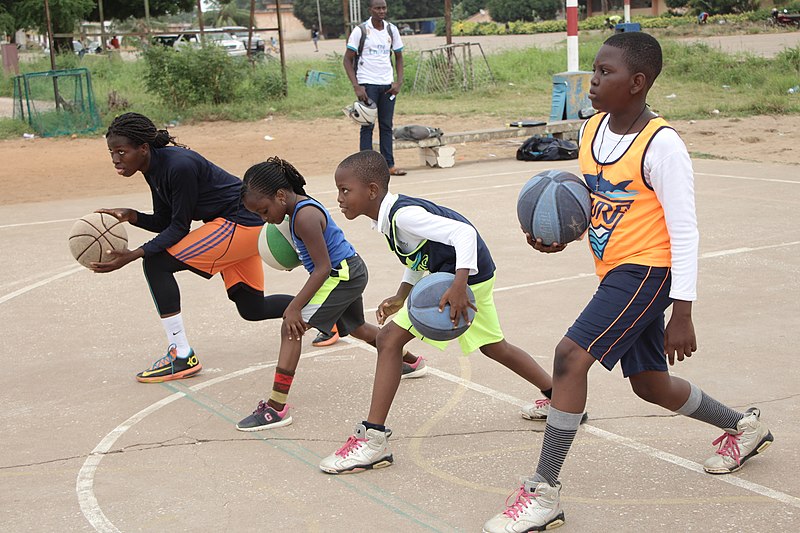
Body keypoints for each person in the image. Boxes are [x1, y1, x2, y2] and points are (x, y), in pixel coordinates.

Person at [483, 32, 773, 532]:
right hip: (616, 268)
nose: (593, 81)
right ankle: (743, 426)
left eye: (605, 73)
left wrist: (682, 311)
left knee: (570, 358)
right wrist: (560, 238)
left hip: (649, 269)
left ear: (637, 83)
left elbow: (685, 230)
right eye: (593, 71)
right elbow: (599, 208)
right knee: (649, 385)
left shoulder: (662, 145)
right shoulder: (590, 130)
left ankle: (543, 491)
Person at [319, 150, 560, 474]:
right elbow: (419, 257)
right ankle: (558, 399)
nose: (339, 199)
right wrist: (402, 294)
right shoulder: (389, 218)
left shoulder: (404, 216)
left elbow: (464, 234)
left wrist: (459, 286)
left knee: (389, 340)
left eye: (345, 191)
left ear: (372, 191)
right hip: (470, 276)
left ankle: (373, 439)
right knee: (493, 346)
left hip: (463, 279)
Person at [91, 113, 296, 383]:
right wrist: (133, 216)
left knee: (155, 263)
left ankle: (181, 355)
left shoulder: (178, 166)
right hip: (237, 227)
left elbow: (178, 229)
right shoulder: (153, 168)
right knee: (252, 308)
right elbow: (165, 221)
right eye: (111, 152)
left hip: (239, 223)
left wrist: (133, 255)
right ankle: (330, 314)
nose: (116, 159)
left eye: (121, 151)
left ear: (143, 149)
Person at [235, 157, 426, 431]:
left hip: (342, 274)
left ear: (280, 195)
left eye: (263, 211)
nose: (263, 218)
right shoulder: (298, 210)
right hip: (350, 269)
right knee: (357, 327)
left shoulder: (304, 216)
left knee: (291, 328)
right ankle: (411, 362)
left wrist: (294, 307)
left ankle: (276, 408)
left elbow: (323, 268)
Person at [343, 0, 407, 177]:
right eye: (377, 8)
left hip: (387, 85)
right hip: (367, 85)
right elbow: (347, 59)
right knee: (367, 126)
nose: (381, 11)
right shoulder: (361, 31)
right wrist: (357, 86)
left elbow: (399, 57)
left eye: (384, 8)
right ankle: (366, 168)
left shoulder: (391, 30)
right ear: (370, 9)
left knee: (386, 126)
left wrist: (398, 82)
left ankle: (389, 165)